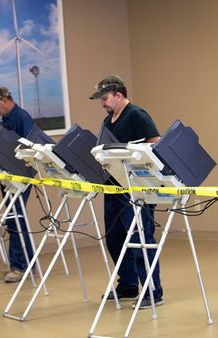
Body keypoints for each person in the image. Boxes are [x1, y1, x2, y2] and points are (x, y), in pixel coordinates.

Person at [89, 75, 164, 309]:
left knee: (140, 239)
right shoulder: (108, 120)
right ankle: (129, 285)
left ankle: (153, 292)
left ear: (118, 95)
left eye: (104, 98)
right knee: (115, 238)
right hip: (113, 185)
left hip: (135, 188)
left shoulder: (137, 115)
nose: (102, 103)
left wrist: (133, 154)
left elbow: (156, 144)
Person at [0, 86, 35, 283]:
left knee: (15, 218)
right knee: (14, 219)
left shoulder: (22, 118)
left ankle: (20, 266)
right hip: (8, 174)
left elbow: (32, 148)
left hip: (20, 175)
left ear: (5, 99)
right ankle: (25, 263)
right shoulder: (6, 120)